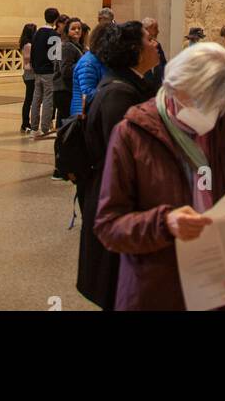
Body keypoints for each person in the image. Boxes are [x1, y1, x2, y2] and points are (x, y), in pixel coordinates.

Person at [93, 41, 225, 310]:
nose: (210, 115)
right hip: (161, 288)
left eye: (219, 106)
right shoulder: (132, 134)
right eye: (204, 103)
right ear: (175, 89)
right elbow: (109, 225)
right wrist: (165, 223)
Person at [76, 20, 159, 309]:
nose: (155, 43)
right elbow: (127, 158)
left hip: (123, 201)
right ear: (135, 51)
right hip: (117, 203)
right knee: (117, 288)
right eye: (149, 39)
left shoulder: (130, 86)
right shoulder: (119, 95)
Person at [28, 7, 60, 139]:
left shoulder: (36, 33)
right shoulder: (54, 35)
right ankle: (45, 128)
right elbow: (55, 56)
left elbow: (33, 51)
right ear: (56, 19)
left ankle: (34, 128)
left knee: (36, 99)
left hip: (37, 71)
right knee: (48, 99)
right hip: (49, 71)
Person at [70, 23, 110, 116]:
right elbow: (87, 93)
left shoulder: (100, 58)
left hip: (95, 112)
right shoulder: (89, 62)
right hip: (83, 114)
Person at [18, 22, 37, 133]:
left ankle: (26, 122)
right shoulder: (28, 45)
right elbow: (28, 61)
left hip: (28, 74)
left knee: (29, 100)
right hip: (30, 75)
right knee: (29, 100)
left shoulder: (25, 44)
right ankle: (25, 123)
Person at [140, 17, 167, 93]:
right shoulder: (139, 46)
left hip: (158, 87)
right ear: (147, 29)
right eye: (155, 28)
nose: (158, 31)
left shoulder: (157, 45)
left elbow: (164, 64)